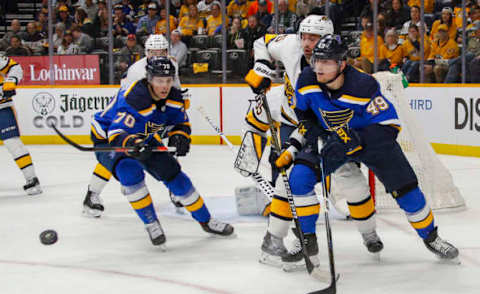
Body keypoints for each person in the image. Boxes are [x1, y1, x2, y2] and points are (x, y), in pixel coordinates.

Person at [276, 34, 458, 262]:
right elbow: (304, 114)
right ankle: (307, 240)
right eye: (317, 61)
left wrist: (357, 139)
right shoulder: (306, 79)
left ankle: (431, 237)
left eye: (327, 62)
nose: (319, 67)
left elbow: (390, 126)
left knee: (406, 190)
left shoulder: (364, 85)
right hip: (333, 141)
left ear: (342, 64)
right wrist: (315, 135)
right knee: (299, 177)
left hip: (372, 143)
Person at [244, 15, 383, 271]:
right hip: (294, 122)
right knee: (289, 181)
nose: (307, 43)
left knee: (350, 176)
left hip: (331, 126)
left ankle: (368, 232)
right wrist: (262, 67)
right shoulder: (289, 45)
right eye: (304, 36)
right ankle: (276, 241)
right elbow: (262, 42)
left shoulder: (335, 59)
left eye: (314, 38)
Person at [89, 56, 234, 245]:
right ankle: (151, 223)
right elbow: (116, 133)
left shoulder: (173, 96)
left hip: (146, 135)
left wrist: (180, 135)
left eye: (168, 80)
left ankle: (206, 221)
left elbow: (180, 121)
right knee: (130, 171)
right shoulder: (136, 97)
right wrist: (133, 143)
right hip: (106, 138)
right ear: (149, 79)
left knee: (174, 174)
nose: (164, 86)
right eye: (159, 81)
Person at [82, 34, 183, 217]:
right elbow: (127, 102)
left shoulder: (171, 65)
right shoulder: (137, 71)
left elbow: (174, 91)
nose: (158, 55)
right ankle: (92, 195)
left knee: (167, 150)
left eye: (162, 51)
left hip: (152, 115)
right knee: (116, 155)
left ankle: (176, 189)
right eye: (153, 52)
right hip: (130, 117)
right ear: (146, 52)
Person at [0, 56, 42, 195]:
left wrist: (10, 81)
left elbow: (15, 67)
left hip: (2, 108)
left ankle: (31, 179)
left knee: (13, 143)